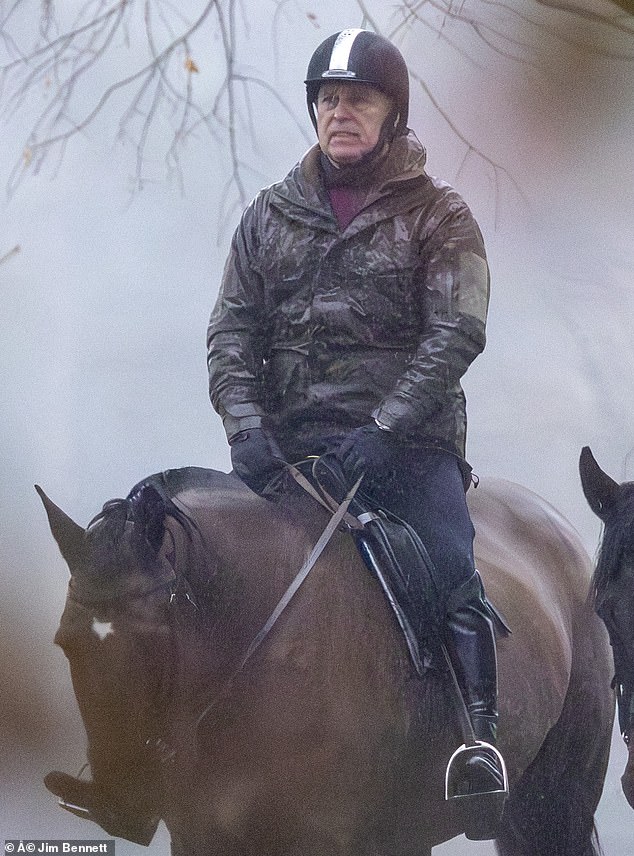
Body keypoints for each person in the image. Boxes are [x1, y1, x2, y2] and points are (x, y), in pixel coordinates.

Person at [207, 27, 506, 824]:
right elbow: (231, 332)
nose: (341, 112)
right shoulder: (267, 217)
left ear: (390, 114)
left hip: (403, 446)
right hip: (286, 449)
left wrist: (386, 427)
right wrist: (244, 430)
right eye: (329, 99)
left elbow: (458, 332)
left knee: (448, 559)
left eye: (358, 100)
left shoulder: (439, 213)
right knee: (197, 563)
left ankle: (478, 742)